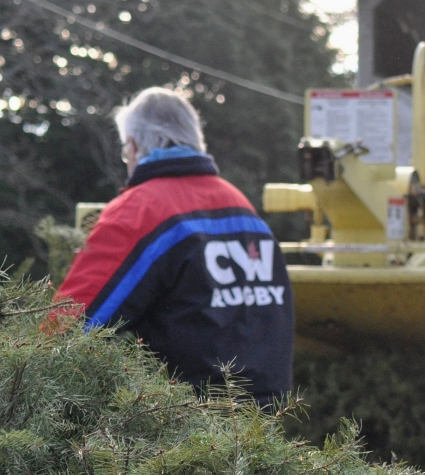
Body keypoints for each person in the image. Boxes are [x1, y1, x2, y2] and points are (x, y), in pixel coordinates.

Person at [55, 87, 294, 402]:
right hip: (264, 423)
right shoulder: (239, 205)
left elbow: (69, 326)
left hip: (183, 426)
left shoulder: (139, 211)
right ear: (196, 141)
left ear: (133, 146)